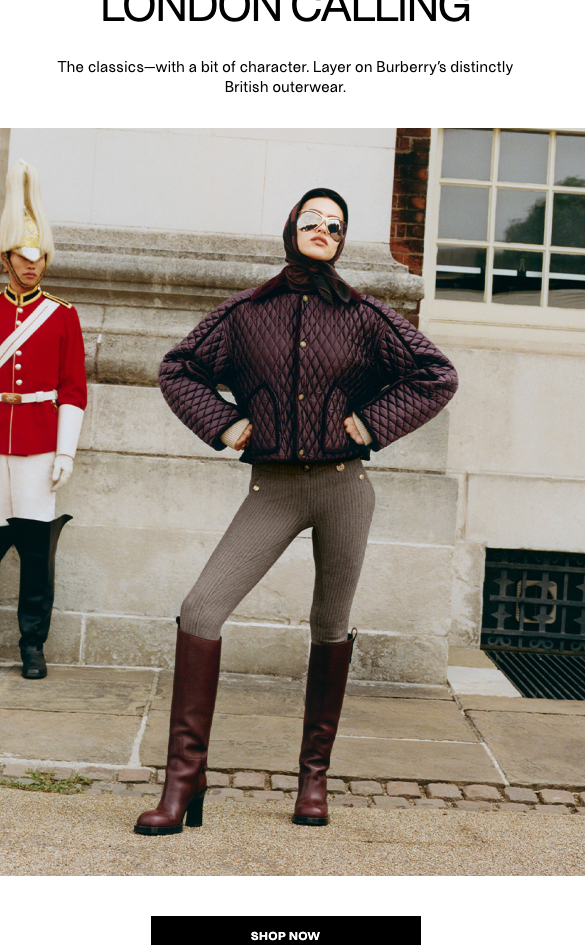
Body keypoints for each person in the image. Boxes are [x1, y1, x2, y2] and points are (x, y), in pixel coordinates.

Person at [134, 187, 458, 836]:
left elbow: (436, 374)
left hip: (343, 488)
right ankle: (184, 779)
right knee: (201, 609)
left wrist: (373, 423)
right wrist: (225, 424)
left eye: (334, 225)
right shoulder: (245, 313)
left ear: (342, 240)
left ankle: (313, 778)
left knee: (329, 624)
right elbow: (178, 368)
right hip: (273, 490)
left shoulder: (367, 315)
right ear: (291, 228)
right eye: (312, 219)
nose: (322, 230)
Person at [0, 161, 87, 678]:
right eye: (24, 258)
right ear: (6, 258)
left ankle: (32, 646)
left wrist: (65, 449)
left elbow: (73, 390)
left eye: (39, 257)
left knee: (36, 554)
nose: (33, 266)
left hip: (39, 446)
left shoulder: (62, 315)